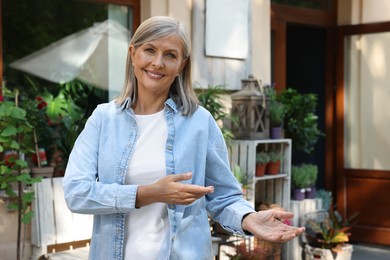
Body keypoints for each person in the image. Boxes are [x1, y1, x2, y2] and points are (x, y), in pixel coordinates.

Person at [63, 16, 304, 260]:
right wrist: (149, 193)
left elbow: (223, 196)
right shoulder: (103, 119)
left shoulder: (200, 122)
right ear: (133, 54)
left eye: (170, 55)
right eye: (149, 50)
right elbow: (77, 192)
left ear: (181, 65)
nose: (158, 63)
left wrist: (248, 218)